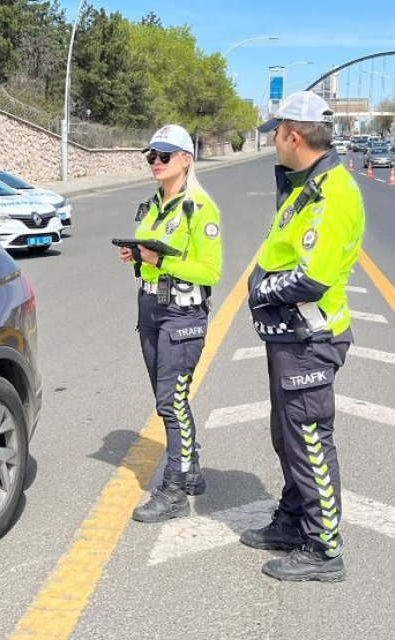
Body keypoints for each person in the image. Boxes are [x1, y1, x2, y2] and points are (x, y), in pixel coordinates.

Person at [241, 91, 365, 582]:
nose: (272, 138)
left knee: (310, 439)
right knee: (288, 436)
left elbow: (313, 277)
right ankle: (293, 521)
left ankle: (323, 548)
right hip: (290, 337)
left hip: (311, 338)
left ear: (293, 134)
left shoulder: (333, 191)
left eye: (276, 130)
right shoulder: (306, 186)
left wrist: (258, 291)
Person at [119, 124, 223, 523]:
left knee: (170, 401)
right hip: (150, 309)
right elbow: (148, 260)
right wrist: (136, 258)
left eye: (164, 156)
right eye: (151, 156)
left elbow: (210, 270)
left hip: (183, 314)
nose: (156, 163)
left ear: (186, 159)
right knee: (169, 401)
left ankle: (175, 490)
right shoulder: (150, 206)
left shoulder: (200, 207)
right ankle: (190, 466)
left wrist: (159, 260)